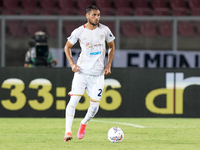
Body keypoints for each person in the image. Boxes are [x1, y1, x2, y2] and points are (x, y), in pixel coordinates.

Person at [63, 5, 115, 142]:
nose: (97, 17)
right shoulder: (79, 32)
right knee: (73, 100)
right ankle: (68, 131)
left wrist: (108, 64)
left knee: (94, 107)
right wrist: (72, 64)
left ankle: (83, 123)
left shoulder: (105, 30)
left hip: (98, 75)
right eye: (94, 15)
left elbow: (112, 47)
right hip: (82, 72)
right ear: (87, 16)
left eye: (98, 15)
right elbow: (67, 47)